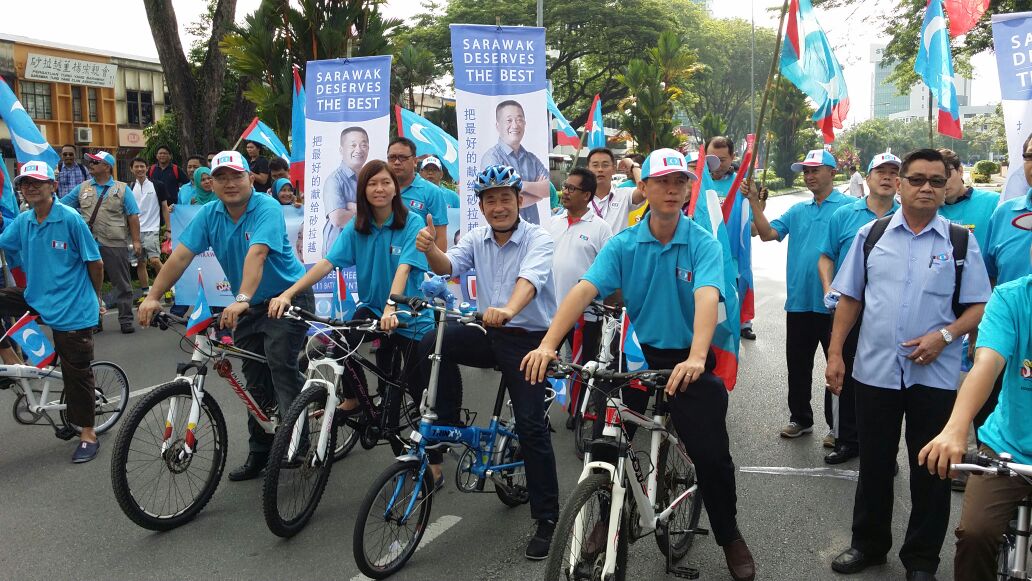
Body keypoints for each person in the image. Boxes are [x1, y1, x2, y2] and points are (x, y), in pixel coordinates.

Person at [522, 147, 756, 581]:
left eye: (679, 182)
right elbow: (585, 289)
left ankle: (729, 536)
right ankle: (604, 522)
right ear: (643, 188)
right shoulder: (625, 244)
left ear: (687, 189)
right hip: (636, 352)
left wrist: (697, 358)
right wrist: (548, 345)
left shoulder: (701, 243)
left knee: (711, 456)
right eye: (662, 181)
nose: (671, 189)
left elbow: (707, 296)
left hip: (689, 356)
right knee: (605, 443)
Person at [826, 149, 991, 581]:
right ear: (899, 184)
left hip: (933, 378)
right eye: (917, 179)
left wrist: (945, 336)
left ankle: (921, 561)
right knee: (875, 464)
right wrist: (836, 353)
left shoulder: (959, 240)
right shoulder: (872, 235)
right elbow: (850, 298)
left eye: (936, 181)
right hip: (875, 372)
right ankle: (869, 544)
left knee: (931, 473)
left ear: (946, 185)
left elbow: (978, 306)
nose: (926, 188)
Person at [413, 164, 560, 560]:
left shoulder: (538, 239)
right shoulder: (476, 237)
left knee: (530, 425)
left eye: (505, 199)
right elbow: (448, 266)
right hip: (487, 331)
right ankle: (446, 425)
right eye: (490, 200)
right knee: (430, 343)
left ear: (519, 201)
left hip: (529, 339)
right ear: (481, 206)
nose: (499, 207)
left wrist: (508, 309)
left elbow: (528, 282)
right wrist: (430, 249)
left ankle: (547, 519)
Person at [138, 151, 313, 481]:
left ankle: (297, 439)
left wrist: (242, 299)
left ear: (250, 177)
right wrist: (152, 296)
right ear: (211, 183)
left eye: (237, 176)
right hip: (249, 304)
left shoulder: (267, 207)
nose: (230, 183)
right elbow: (179, 258)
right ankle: (260, 452)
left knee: (278, 363)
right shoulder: (209, 214)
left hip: (286, 297)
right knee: (253, 378)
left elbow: (257, 255)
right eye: (221, 178)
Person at [917, 213, 1032, 581]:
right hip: (1006, 450)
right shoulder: (1012, 298)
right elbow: (987, 362)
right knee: (975, 534)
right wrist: (955, 428)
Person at [269, 160, 432, 413]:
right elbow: (326, 264)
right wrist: (288, 293)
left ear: (395, 189)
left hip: (408, 314)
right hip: (373, 308)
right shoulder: (358, 226)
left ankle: (426, 442)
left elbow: (404, 268)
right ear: (363, 190)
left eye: (386, 182)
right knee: (341, 342)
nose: (379, 189)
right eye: (372, 183)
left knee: (416, 388)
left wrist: (391, 307)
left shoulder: (412, 222)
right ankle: (357, 399)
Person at [0, 162, 105, 463]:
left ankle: (88, 432)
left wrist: (95, 298)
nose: (30, 187)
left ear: (53, 186)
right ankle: (10, 358)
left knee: (76, 375)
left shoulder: (70, 219)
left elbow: (95, 263)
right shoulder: (24, 221)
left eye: (37, 182)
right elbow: (3, 243)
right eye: (24, 183)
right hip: (36, 297)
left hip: (72, 308)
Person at [746, 149, 852, 443]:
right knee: (798, 366)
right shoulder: (798, 211)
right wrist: (755, 203)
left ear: (832, 172)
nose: (809, 176)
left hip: (837, 306)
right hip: (799, 302)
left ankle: (838, 427)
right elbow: (765, 233)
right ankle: (801, 418)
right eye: (805, 171)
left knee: (838, 368)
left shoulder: (850, 208)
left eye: (815, 170)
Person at [816, 152, 902, 466]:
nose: (887, 176)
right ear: (867, 178)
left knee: (886, 383)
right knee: (845, 376)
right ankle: (847, 439)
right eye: (880, 171)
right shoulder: (843, 215)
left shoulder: (906, 217)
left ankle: (884, 451)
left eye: (894, 171)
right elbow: (825, 257)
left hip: (887, 313)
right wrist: (829, 288)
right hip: (848, 309)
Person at [544, 167, 612, 411]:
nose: (565, 192)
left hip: (585, 314)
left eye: (572, 188)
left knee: (582, 366)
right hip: (549, 311)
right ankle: (541, 412)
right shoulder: (552, 223)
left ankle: (578, 412)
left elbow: (609, 270)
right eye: (565, 187)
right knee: (544, 362)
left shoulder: (601, 228)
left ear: (587, 195)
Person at [62, 151, 142, 335]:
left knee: (122, 283)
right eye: (91, 162)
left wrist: (136, 241)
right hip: (88, 243)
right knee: (89, 284)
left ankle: (126, 320)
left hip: (114, 242)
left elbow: (133, 216)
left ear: (107, 166)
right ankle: (94, 320)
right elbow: (62, 206)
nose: (91, 164)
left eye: (96, 162)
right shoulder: (82, 188)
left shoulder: (122, 189)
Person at [706, 136, 760, 341]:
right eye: (713, 158)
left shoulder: (742, 184)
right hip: (707, 250)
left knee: (737, 288)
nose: (718, 164)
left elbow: (754, 223)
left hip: (734, 250)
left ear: (732, 158)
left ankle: (742, 322)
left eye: (723, 159)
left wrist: (757, 199)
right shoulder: (700, 182)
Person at [480, 100, 550, 223]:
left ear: (524, 123)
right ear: (497, 125)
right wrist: (537, 195)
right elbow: (500, 200)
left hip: (533, 232)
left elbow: (550, 189)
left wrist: (521, 185)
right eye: (509, 120)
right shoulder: (491, 157)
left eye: (519, 119)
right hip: (505, 235)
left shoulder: (531, 159)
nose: (515, 125)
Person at [388, 137, 449, 251]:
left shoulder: (432, 192)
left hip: (418, 265)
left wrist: (436, 268)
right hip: (385, 264)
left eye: (403, 158)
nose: (396, 162)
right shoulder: (380, 190)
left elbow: (440, 237)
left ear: (415, 161)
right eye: (392, 157)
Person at [937, 149, 999, 252]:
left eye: (947, 174)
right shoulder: (927, 209)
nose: (943, 182)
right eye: (935, 178)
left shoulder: (993, 202)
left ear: (960, 171)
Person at [128, 157, 170, 297]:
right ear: (131, 169)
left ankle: (168, 287)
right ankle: (146, 292)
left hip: (152, 229)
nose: (139, 169)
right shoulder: (129, 188)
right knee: (140, 263)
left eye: (142, 166)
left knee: (154, 260)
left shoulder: (158, 185)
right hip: (135, 232)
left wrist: (168, 229)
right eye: (136, 167)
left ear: (147, 168)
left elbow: (164, 207)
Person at [323, 126, 368, 252]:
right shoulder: (334, 180)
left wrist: (354, 208)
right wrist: (367, 212)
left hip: (362, 249)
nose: (358, 150)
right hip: (338, 253)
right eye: (352, 145)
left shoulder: (370, 179)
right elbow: (338, 219)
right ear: (341, 150)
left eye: (363, 145)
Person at [585, 147, 644, 234]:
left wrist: (633, 165)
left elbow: (644, 190)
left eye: (605, 165)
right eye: (595, 165)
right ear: (588, 169)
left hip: (616, 247)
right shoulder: (580, 198)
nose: (600, 169)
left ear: (614, 169)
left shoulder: (624, 195)